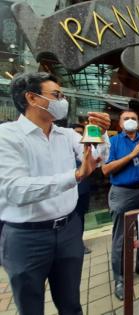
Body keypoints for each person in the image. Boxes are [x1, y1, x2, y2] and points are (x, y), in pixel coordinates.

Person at [0, 72, 110, 315]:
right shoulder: (7, 136)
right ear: (31, 97)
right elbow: (16, 189)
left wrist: (100, 133)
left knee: (71, 303)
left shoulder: (67, 134)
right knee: (30, 306)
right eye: (56, 95)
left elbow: (96, 159)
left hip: (69, 230)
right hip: (26, 236)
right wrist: (75, 176)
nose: (63, 101)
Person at [101, 110, 139, 301]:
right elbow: (106, 169)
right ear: (120, 123)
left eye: (134, 118)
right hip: (123, 193)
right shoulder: (113, 142)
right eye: (126, 118)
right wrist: (133, 154)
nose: (131, 120)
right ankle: (120, 279)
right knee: (121, 237)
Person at [71, 123, 92, 255]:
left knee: (80, 217)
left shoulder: (86, 148)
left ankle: (79, 243)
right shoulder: (65, 149)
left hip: (83, 190)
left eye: (81, 132)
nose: (79, 135)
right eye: (76, 132)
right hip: (67, 191)